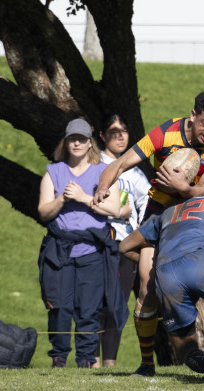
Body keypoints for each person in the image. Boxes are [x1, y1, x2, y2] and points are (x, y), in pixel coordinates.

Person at [94, 90, 204, 377]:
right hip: (158, 212)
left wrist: (181, 186)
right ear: (193, 115)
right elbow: (119, 164)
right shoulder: (164, 134)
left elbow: (200, 190)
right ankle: (147, 364)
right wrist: (103, 186)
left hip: (192, 213)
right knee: (147, 286)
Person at [118, 180, 204, 378]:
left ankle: (149, 364)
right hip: (165, 213)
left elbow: (123, 247)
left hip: (168, 218)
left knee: (149, 292)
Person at [38, 118, 123, 369]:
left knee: (89, 308)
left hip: (92, 251)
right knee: (59, 307)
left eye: (82, 139)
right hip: (59, 251)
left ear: (90, 143)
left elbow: (115, 209)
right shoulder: (53, 172)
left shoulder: (104, 172)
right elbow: (43, 212)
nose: (76, 143)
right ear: (65, 143)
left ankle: (86, 359)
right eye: (72, 139)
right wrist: (62, 199)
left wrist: (84, 197)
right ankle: (59, 358)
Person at [94, 113, 150, 368]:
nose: (120, 137)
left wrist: (141, 226)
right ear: (102, 135)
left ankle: (110, 362)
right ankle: (91, 360)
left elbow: (147, 200)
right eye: (113, 132)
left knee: (118, 304)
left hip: (125, 245)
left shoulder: (134, 172)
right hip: (97, 241)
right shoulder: (94, 165)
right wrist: (117, 211)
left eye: (124, 131)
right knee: (95, 301)